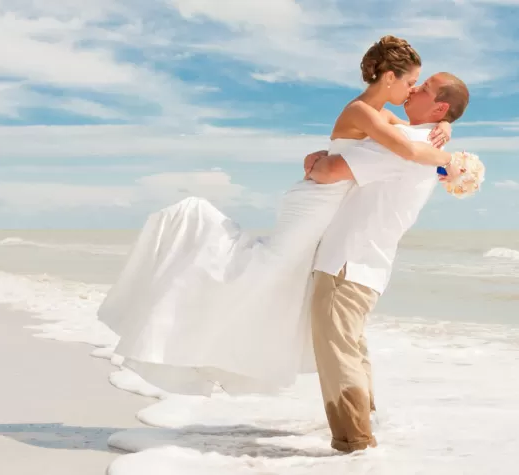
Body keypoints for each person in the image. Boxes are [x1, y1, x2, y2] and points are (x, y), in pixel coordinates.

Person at [95, 36, 469, 398]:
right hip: (314, 200)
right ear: (389, 78)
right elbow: (405, 149)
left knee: (276, 279)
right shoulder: (362, 111)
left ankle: (218, 342)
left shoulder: (383, 115)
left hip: (324, 200)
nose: (412, 88)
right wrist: (449, 160)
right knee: (266, 269)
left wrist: (446, 125)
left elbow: (410, 135)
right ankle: (184, 320)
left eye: (418, 85)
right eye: (410, 81)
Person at [299, 72, 470, 453]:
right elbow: (390, 124)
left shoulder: (407, 144)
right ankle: (365, 434)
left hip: (346, 261)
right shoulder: (421, 142)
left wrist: (313, 163)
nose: (413, 89)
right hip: (368, 265)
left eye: (423, 88)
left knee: (338, 354)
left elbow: (329, 171)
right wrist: (445, 124)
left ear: (439, 106)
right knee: (352, 350)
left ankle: (353, 445)